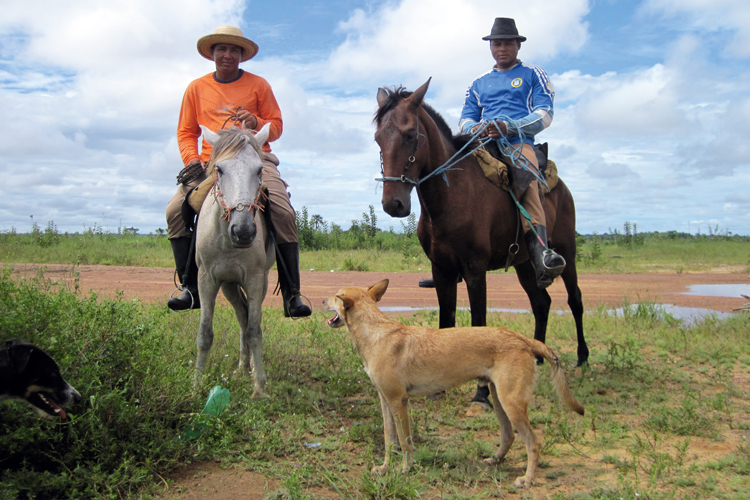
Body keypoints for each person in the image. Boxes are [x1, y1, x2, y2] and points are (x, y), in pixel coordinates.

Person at [165, 25, 311, 318]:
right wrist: (192, 159)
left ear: (242, 55)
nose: (228, 55)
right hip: (211, 162)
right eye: (222, 49)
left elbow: (277, 125)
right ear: (213, 54)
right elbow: (185, 132)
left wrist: (255, 121)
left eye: (234, 50)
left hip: (256, 158)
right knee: (174, 211)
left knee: (283, 211)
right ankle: (189, 286)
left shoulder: (259, 85)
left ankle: (293, 294)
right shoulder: (196, 88)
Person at [463, 17, 565, 289]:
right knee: (451, 175)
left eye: (508, 43)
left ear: (518, 45)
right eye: (497, 43)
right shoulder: (477, 83)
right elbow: (465, 120)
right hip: (483, 143)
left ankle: (541, 254)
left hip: (518, 143)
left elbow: (545, 114)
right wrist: (479, 128)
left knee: (526, 179)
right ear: (491, 47)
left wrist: (509, 127)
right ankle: (449, 260)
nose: (502, 48)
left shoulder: (533, 74)